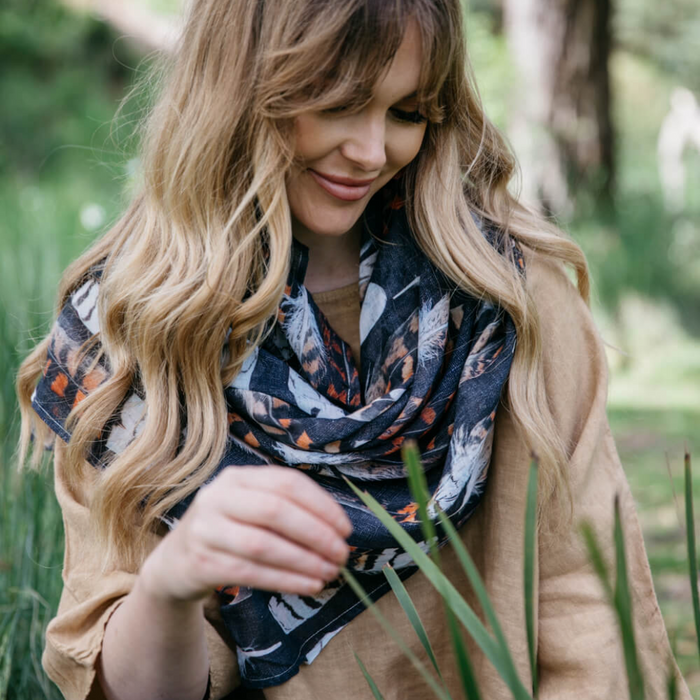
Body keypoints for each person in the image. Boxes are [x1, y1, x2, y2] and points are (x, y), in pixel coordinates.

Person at [17, 1, 690, 698]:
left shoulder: (511, 302)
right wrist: (172, 583)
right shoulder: (129, 340)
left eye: (407, 112)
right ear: (240, 90)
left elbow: (585, 603)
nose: (373, 152)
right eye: (341, 103)